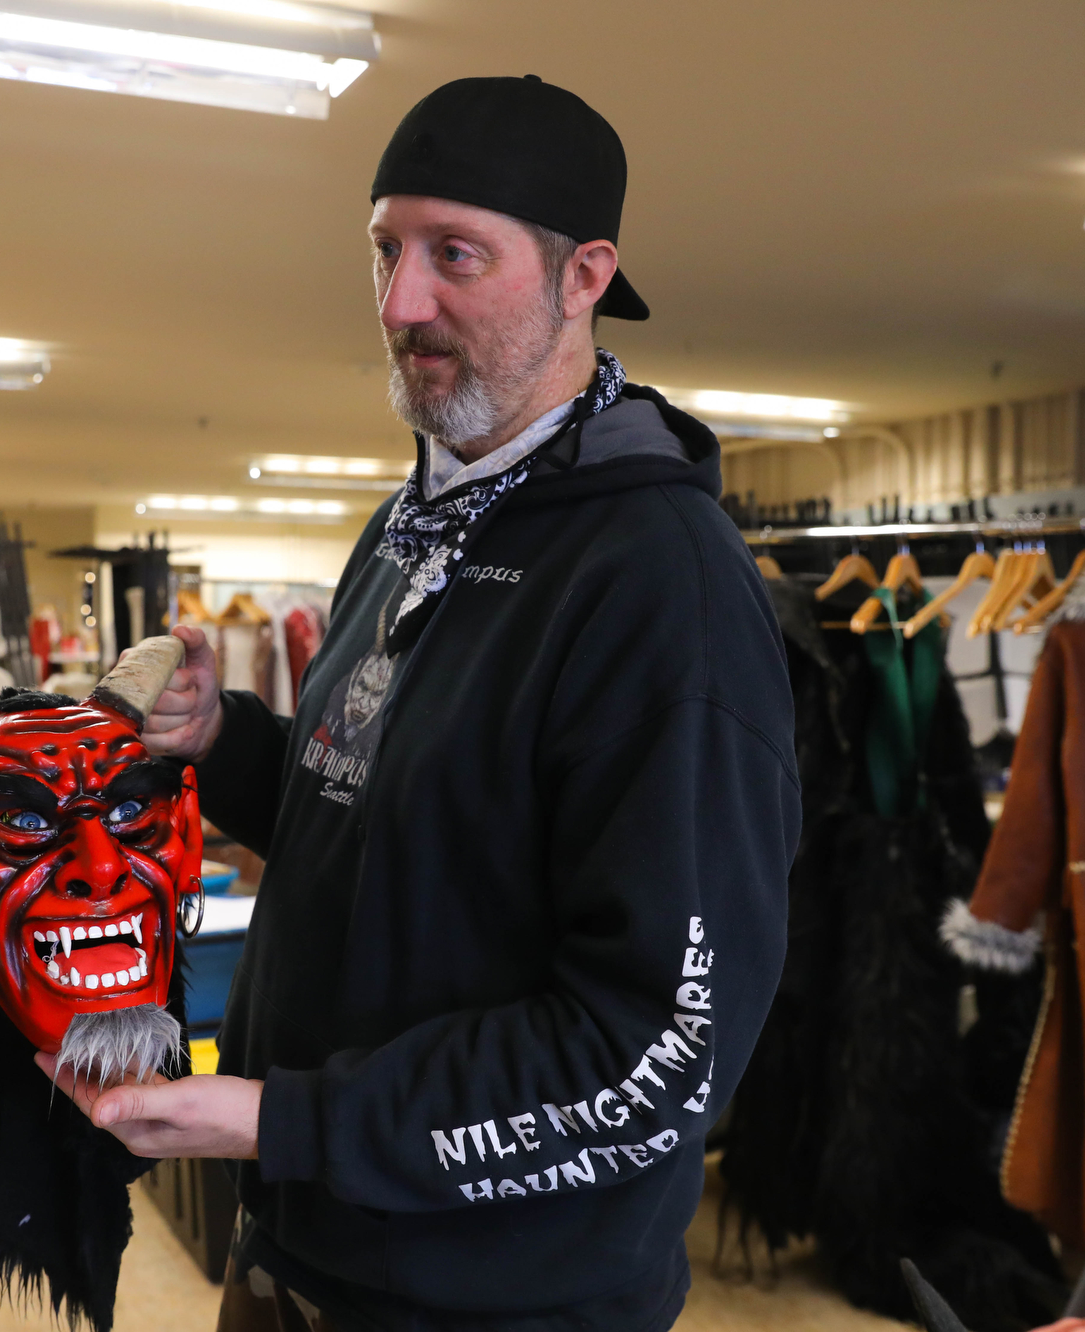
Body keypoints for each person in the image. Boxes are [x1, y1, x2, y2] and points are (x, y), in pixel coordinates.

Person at [39, 75, 799, 1331]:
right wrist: (222, 745)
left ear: (583, 275)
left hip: (495, 1297)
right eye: (385, 251)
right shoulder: (402, 532)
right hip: (300, 1240)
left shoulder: (663, 586)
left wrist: (291, 1117)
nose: (400, 304)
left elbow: (657, 1057)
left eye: (455, 255)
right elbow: (386, 816)